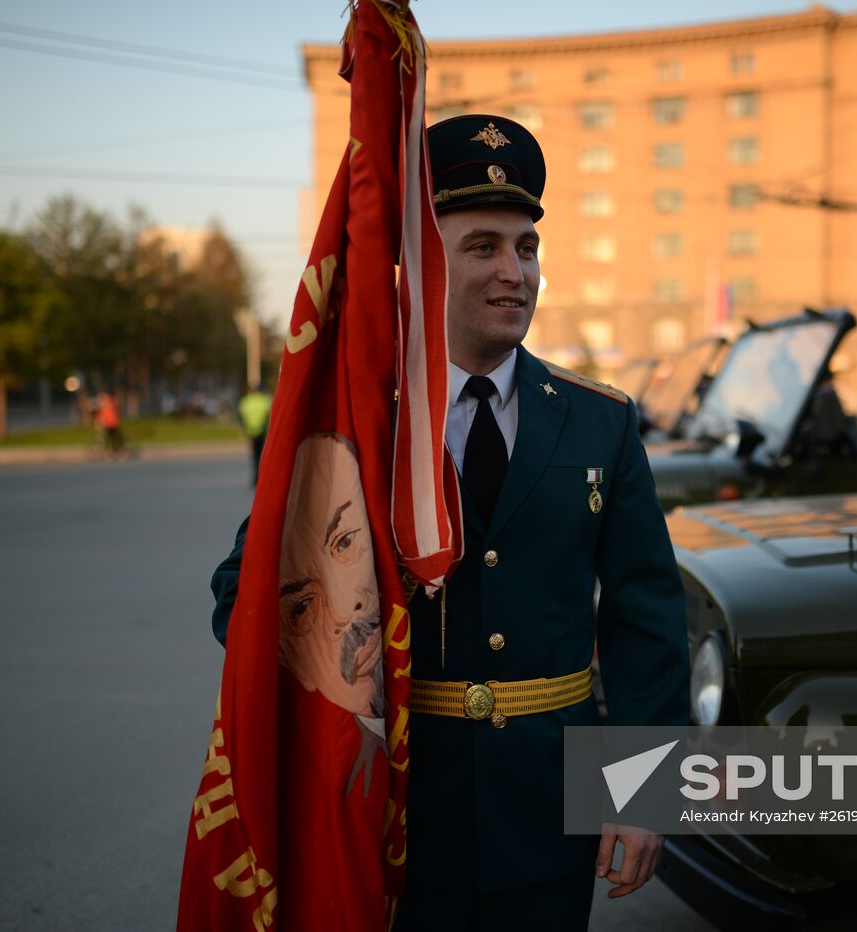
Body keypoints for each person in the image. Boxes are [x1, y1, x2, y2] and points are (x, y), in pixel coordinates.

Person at [208, 113, 689, 930]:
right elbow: (242, 593)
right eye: (483, 247)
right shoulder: (357, 424)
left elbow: (647, 617)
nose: (516, 273)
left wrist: (644, 793)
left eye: (526, 248)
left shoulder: (598, 420)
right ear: (425, 264)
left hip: (548, 810)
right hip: (392, 811)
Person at [237, 383, 272, 486]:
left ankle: (256, 477)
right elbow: (269, 415)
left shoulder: (245, 401)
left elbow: (240, 416)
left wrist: (244, 428)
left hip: (250, 432)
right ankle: (260, 477)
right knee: (262, 455)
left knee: (255, 456)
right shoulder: (264, 401)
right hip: (262, 431)